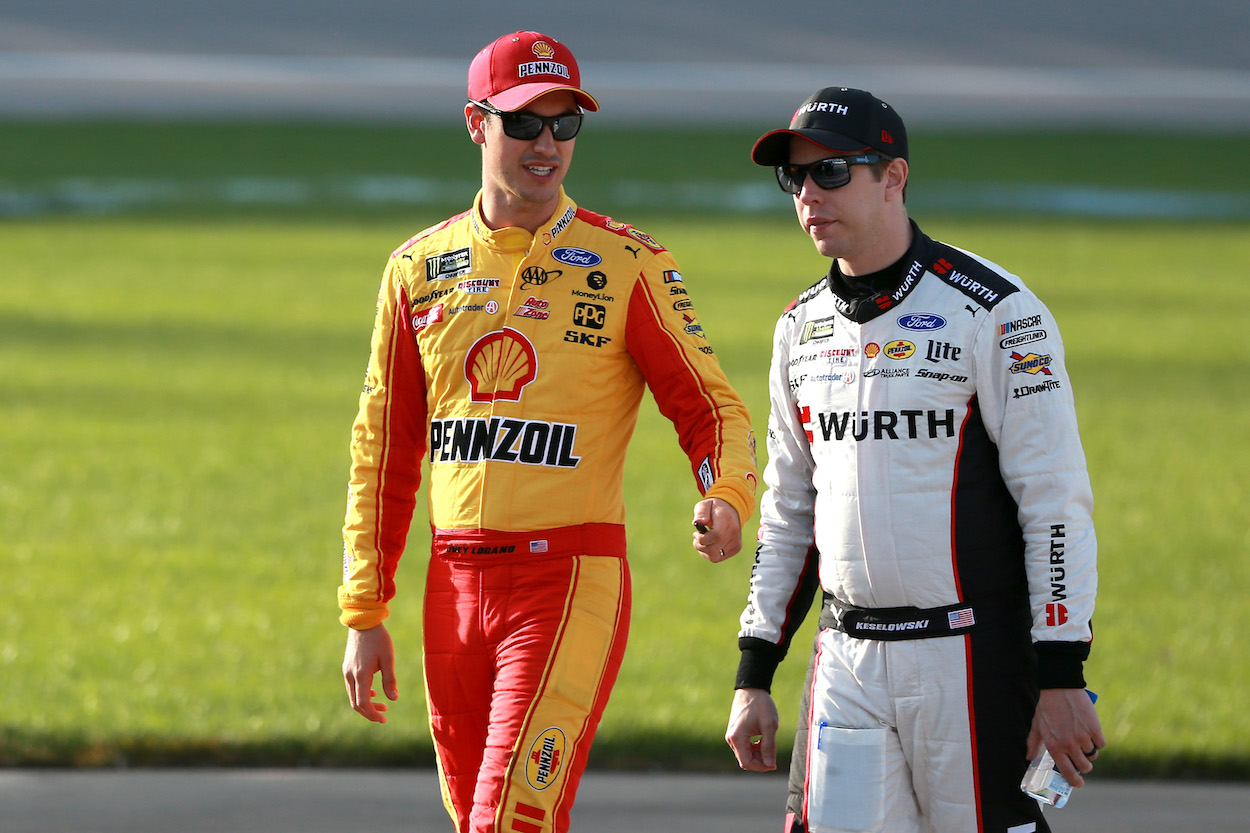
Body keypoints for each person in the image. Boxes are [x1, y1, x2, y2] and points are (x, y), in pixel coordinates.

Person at [338, 30, 758, 833]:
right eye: (526, 121)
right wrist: (364, 609)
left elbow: (710, 409)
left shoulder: (627, 263)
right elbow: (382, 452)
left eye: (566, 124)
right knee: (478, 820)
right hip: (453, 588)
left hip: (568, 578)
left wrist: (728, 493)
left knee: (509, 818)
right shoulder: (416, 269)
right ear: (476, 123)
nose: (548, 144)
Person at [723, 86, 1104, 833]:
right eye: (794, 177)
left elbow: (1054, 502)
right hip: (847, 658)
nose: (808, 194)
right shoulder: (798, 327)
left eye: (831, 172)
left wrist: (1062, 675)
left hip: (969, 656)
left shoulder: (998, 310)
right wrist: (754, 671)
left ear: (893, 178)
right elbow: (789, 513)